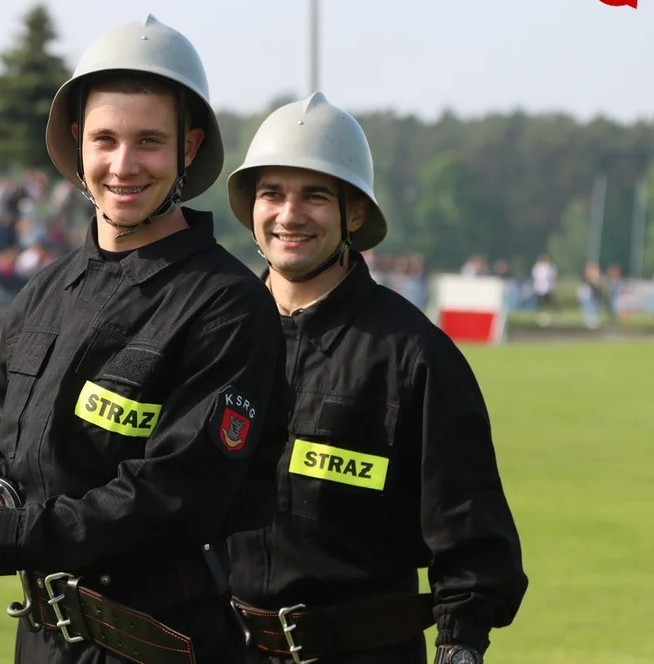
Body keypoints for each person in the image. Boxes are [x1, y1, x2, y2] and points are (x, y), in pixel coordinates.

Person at [0, 14, 289, 664]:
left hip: (161, 647)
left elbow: (175, 497)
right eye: (105, 139)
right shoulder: (43, 293)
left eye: (149, 142)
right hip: (42, 640)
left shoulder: (227, 305)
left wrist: (0, 539)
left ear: (189, 147)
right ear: (77, 142)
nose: (123, 165)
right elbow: (11, 446)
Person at [223, 93, 528, 664]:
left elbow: (472, 545)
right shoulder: (213, 336)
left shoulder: (416, 356)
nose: (289, 214)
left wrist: (460, 647)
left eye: (314, 195)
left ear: (354, 213)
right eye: (273, 193)